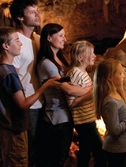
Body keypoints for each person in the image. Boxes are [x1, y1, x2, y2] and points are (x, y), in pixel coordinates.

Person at [0, 27, 59, 167]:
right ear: (6, 46)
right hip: (13, 130)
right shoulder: (8, 73)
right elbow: (23, 104)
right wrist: (46, 86)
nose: (21, 43)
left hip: (5, 128)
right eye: (17, 40)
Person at [35, 23, 90, 167]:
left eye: (64, 36)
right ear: (48, 38)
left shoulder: (61, 60)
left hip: (65, 116)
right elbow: (69, 90)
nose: (64, 39)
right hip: (57, 118)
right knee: (56, 160)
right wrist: (93, 92)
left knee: (61, 158)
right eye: (60, 35)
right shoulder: (47, 64)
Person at [9, 0, 42, 166]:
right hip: (28, 104)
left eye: (37, 10)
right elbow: (11, 75)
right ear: (20, 17)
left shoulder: (36, 39)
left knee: (40, 149)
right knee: (29, 151)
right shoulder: (15, 41)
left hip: (40, 101)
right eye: (31, 12)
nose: (37, 15)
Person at [93, 60, 126, 166]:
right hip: (114, 150)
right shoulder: (110, 102)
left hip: (120, 148)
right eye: (120, 73)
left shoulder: (116, 95)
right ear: (110, 77)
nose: (123, 76)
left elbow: (121, 116)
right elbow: (115, 130)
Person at [66, 41, 106, 167]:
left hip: (88, 119)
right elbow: (71, 103)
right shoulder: (75, 73)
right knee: (100, 153)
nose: (94, 56)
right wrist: (92, 93)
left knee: (85, 153)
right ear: (80, 57)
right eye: (91, 53)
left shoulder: (82, 73)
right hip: (84, 121)